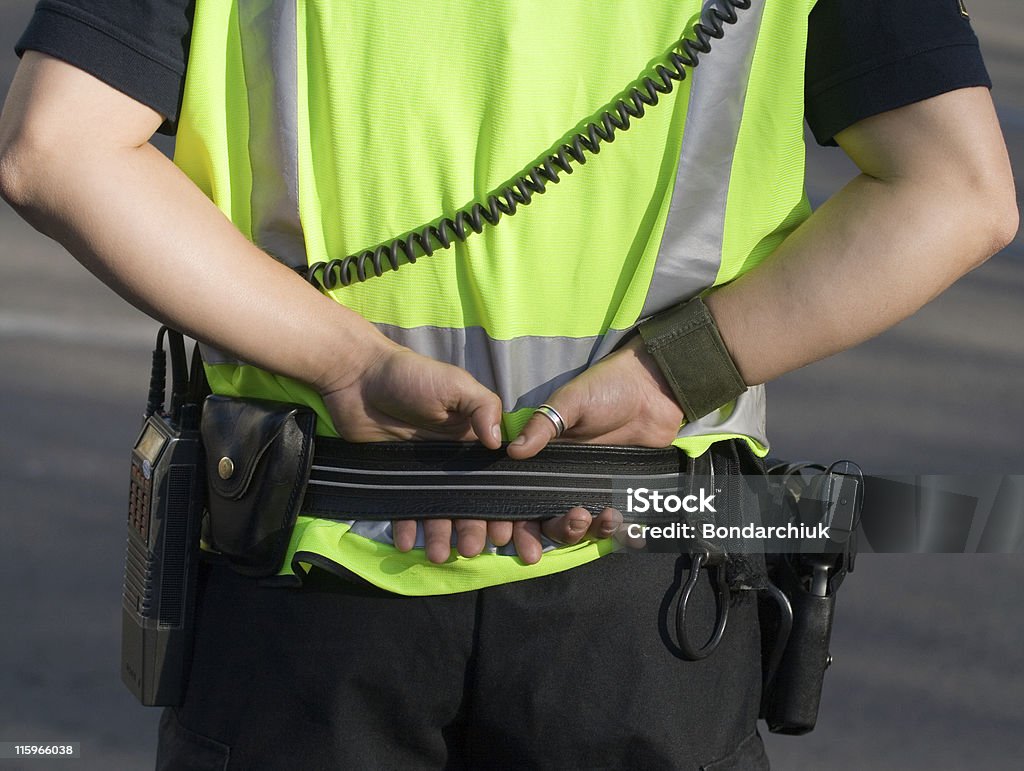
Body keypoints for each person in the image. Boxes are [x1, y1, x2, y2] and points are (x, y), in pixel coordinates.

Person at [0, 0, 1016, 768]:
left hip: (311, 583)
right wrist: (673, 374)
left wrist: (348, 361)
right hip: (644, 597)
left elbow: (56, 149)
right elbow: (958, 191)